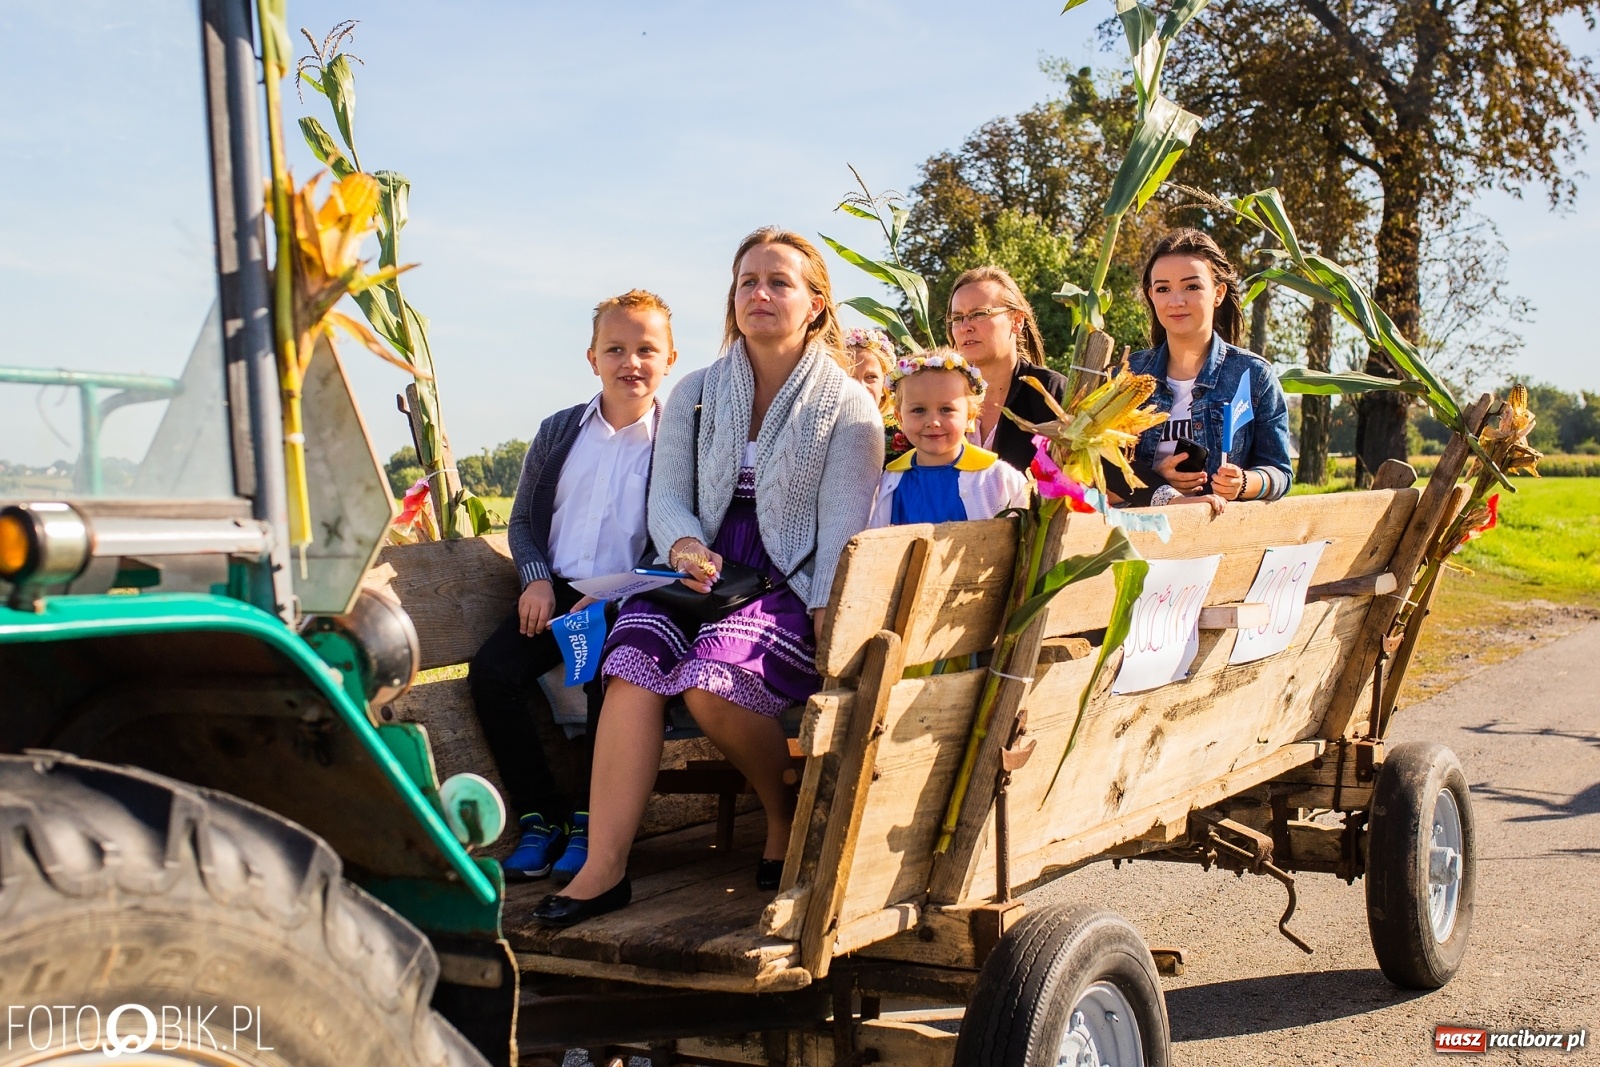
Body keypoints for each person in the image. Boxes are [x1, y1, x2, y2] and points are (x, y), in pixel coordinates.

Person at [531, 228, 884, 926]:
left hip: (788, 580)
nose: (759, 293)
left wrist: (826, 608)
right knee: (630, 661)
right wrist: (686, 543)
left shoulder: (848, 405)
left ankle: (782, 812)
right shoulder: (696, 391)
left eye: (778, 282)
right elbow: (668, 495)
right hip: (698, 573)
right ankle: (605, 867)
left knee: (710, 681)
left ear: (815, 303)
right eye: (748, 280)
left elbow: (844, 527)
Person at [467, 289, 676, 882]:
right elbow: (523, 522)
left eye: (646, 350)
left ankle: (592, 822)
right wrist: (535, 581)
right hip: (555, 591)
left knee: (608, 684)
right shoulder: (559, 430)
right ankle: (540, 818)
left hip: (628, 597)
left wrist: (617, 593)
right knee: (493, 675)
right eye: (615, 349)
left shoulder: (675, 443)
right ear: (592, 358)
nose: (630, 362)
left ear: (669, 360)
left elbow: (677, 529)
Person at [1128, 229, 1293, 502]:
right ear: (1151, 296)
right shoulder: (1128, 375)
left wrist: (1244, 482)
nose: (1176, 301)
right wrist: (1157, 480)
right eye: (1163, 289)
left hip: (1219, 526)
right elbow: (1101, 471)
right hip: (1141, 526)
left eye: (1192, 287)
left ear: (1218, 293)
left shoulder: (1254, 375)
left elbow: (1280, 473)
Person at [868, 349, 1030, 528]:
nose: (933, 422)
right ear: (900, 418)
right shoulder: (889, 482)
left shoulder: (998, 479)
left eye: (946, 409)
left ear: (970, 415)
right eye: (918, 410)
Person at [946, 266, 1070, 473]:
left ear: (1017, 321)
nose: (965, 327)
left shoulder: (1048, 392)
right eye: (957, 318)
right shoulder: (942, 395)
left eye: (979, 314)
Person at [843, 326, 903, 459]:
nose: (860, 386)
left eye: (871, 377)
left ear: (884, 385)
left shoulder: (901, 433)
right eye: (850, 377)